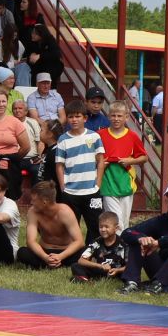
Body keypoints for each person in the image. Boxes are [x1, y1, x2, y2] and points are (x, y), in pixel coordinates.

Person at [53, 99, 104, 242]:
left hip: (91, 190)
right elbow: (59, 165)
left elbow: (100, 161)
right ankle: (73, 254)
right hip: (71, 192)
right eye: (70, 116)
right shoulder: (63, 139)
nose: (74, 120)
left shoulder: (94, 136)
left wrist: (97, 185)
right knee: (70, 226)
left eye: (78, 116)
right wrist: (63, 187)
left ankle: (90, 254)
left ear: (85, 118)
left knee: (95, 225)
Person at [96, 99, 147, 232]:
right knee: (115, 220)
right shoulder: (100, 135)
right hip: (108, 182)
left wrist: (130, 161)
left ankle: (123, 248)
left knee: (124, 221)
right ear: (108, 116)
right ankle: (117, 249)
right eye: (113, 115)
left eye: (119, 116)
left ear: (126, 117)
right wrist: (101, 163)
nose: (116, 119)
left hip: (126, 182)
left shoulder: (132, 136)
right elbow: (92, 156)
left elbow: (144, 157)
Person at [17, 180, 83, 270]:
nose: (31, 202)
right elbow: (30, 241)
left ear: (45, 201)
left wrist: (60, 256)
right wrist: (45, 257)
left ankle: (53, 263)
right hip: (44, 251)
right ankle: (53, 263)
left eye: (34, 200)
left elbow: (79, 242)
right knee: (22, 252)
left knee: (85, 252)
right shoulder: (33, 212)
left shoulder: (65, 212)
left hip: (66, 252)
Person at [70, 210, 129, 283]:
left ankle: (81, 279)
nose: (103, 229)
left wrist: (117, 270)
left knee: (130, 272)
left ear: (116, 228)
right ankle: (86, 281)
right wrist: (100, 266)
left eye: (106, 227)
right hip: (100, 270)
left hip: (117, 272)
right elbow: (81, 260)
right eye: (101, 227)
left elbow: (130, 265)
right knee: (75, 266)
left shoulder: (124, 243)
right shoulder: (96, 242)